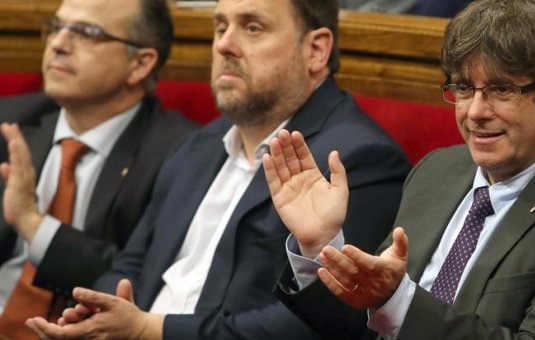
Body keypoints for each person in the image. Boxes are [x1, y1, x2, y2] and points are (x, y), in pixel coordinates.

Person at [264, 0, 535, 339]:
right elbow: (367, 329)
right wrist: (321, 246)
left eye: (502, 89)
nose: (475, 112)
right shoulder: (438, 169)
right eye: (464, 89)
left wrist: (398, 300)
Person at [26, 0, 411, 339]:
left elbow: (312, 326)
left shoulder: (358, 160)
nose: (224, 44)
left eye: (252, 27)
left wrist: (150, 330)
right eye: (220, 26)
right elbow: (134, 261)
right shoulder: (199, 144)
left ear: (316, 50)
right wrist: (100, 312)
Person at [0, 0, 197, 338]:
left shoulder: (180, 154)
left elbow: (138, 279)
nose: (58, 44)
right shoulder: (10, 123)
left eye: (85, 33)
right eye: (57, 27)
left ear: (140, 63)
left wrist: (33, 224)